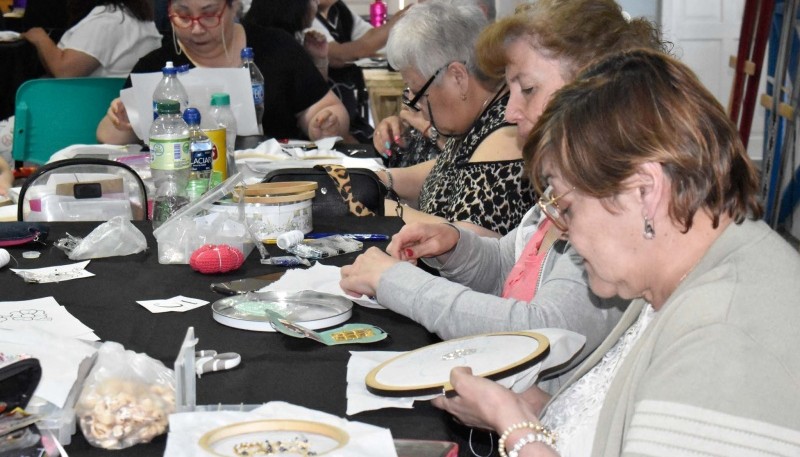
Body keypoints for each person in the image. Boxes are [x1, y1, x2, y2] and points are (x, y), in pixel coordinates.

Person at [431, 49, 800, 457]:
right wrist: (536, 407)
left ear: (645, 191)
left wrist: (515, 429)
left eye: (567, 207)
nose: (564, 231)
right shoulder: (675, 277)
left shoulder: (724, 337)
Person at [341, 0, 665, 390]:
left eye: (527, 89)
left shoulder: (613, 206)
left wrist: (397, 283)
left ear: (594, 89)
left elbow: (539, 329)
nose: (510, 112)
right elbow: (511, 263)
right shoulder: (570, 183)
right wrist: (454, 246)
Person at [372, 0, 530, 236]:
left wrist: (382, 208)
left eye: (419, 93)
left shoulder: (506, 134)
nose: (416, 106)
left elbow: (471, 243)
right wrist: (374, 181)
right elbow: (444, 175)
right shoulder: (477, 117)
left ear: (457, 77)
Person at [96, 0, 349, 145]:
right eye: (183, 16)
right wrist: (121, 120)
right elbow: (109, 138)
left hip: (272, 190)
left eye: (209, 15)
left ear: (233, 7)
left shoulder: (277, 49)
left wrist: (324, 123)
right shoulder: (156, 67)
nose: (196, 29)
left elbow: (326, 108)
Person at [21, 0, 162, 78]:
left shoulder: (108, 22)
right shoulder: (138, 19)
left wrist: (40, 38)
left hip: (89, 112)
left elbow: (65, 72)